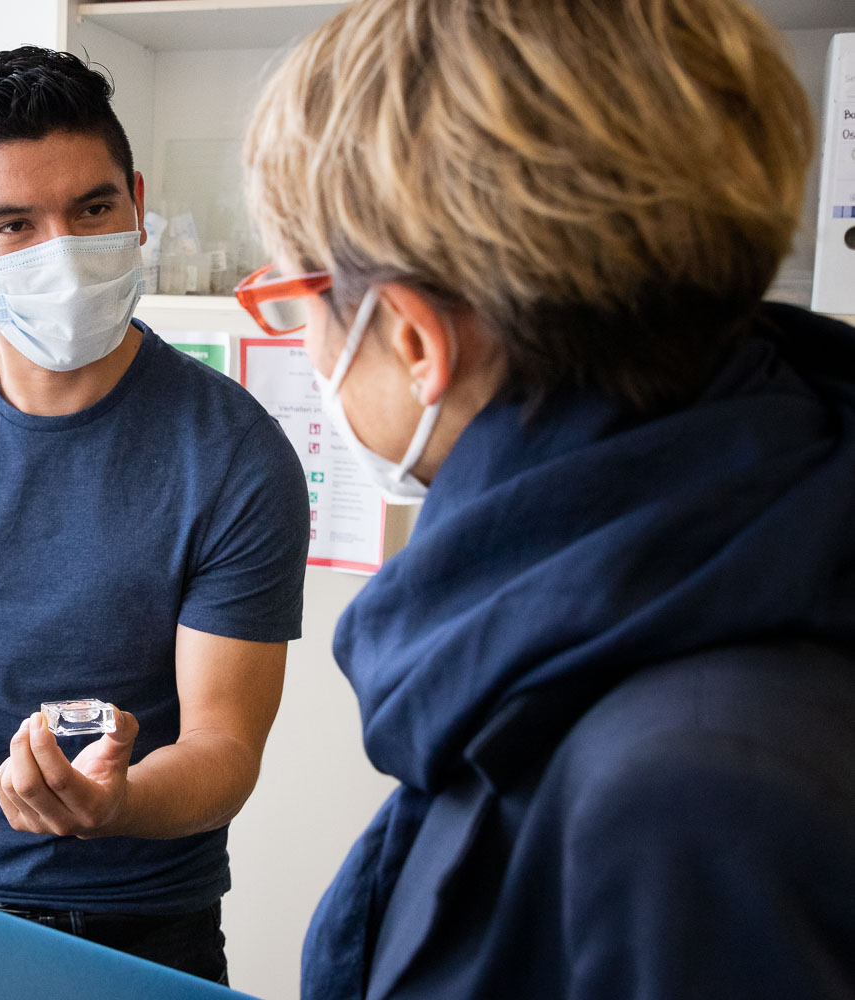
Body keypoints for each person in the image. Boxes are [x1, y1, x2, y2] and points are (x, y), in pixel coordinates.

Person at [237, 0, 855, 997]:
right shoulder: (629, 607)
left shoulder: (699, 794)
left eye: (298, 301)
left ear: (412, 339)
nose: (305, 348)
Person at [0, 45, 309, 983]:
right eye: (13, 225)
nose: (63, 252)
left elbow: (224, 746)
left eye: (92, 209)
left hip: (143, 919)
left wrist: (111, 804)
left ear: (138, 205)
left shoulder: (235, 454)